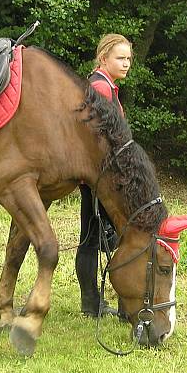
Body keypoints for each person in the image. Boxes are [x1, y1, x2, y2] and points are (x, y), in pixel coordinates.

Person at [76, 34, 132, 316]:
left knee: (91, 237)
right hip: (102, 179)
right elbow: (101, 140)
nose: (126, 63)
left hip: (96, 178)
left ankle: (93, 303)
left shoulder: (104, 86)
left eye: (129, 58)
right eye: (120, 58)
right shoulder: (101, 87)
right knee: (121, 237)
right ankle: (118, 305)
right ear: (103, 59)